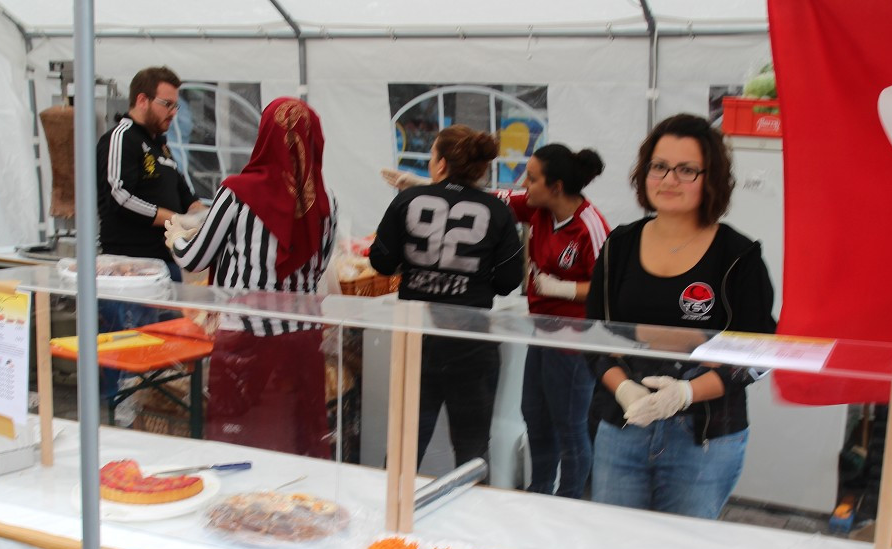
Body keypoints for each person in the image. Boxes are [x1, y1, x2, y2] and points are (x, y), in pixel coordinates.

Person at [586, 114, 776, 519]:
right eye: (659, 166)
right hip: (622, 429)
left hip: (705, 442)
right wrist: (624, 390)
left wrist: (685, 394)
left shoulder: (739, 256)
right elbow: (595, 337)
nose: (669, 179)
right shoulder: (618, 245)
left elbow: (758, 355)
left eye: (686, 170)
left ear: (711, 178)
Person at [169, 97, 336, 458]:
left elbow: (196, 258)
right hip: (303, 338)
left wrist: (175, 238)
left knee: (239, 438)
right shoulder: (326, 200)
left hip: (246, 340)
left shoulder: (236, 193)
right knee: (297, 436)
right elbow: (319, 268)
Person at [371, 125, 523, 469]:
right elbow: (508, 282)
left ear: (439, 164)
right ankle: (467, 519)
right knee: (471, 454)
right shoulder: (498, 211)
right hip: (470, 344)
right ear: (480, 167)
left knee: (403, 449)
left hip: (417, 342)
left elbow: (380, 261)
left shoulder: (407, 200)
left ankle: (390, 518)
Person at [494, 144, 609, 499]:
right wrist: (420, 186)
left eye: (531, 178)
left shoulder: (590, 225)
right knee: (535, 415)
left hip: (574, 341)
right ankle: (540, 491)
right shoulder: (536, 207)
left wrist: (565, 288)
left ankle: (572, 499)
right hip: (540, 331)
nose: (522, 184)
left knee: (570, 426)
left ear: (556, 186)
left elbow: (608, 289)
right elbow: (490, 199)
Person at [96, 66, 207, 280]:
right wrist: (176, 219)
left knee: (174, 315)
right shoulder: (121, 137)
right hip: (130, 267)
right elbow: (120, 196)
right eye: (167, 104)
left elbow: (186, 197)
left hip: (167, 263)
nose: (173, 112)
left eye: (176, 106)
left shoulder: (161, 147)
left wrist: (206, 217)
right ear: (142, 100)